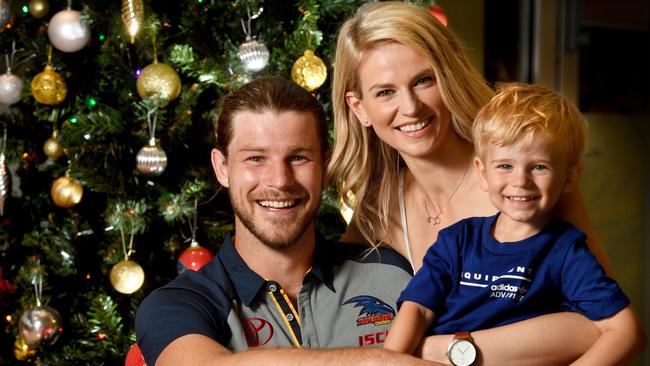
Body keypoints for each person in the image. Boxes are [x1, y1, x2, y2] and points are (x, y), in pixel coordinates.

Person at [328, 1, 611, 364]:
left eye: (423, 80)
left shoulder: (518, 182)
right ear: (359, 108)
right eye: (386, 92)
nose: (411, 107)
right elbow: (325, 290)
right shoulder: (379, 202)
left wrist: (442, 348)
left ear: (448, 78)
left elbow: (602, 326)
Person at [135, 76, 440, 366]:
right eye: (256, 158)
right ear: (223, 167)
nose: (280, 181)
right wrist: (379, 360)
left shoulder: (392, 271)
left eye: (298, 157)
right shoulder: (179, 303)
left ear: (325, 163)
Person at [383, 83, 646, 365]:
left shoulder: (566, 252)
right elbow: (418, 310)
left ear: (570, 177)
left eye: (539, 166)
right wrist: (388, 361)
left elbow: (628, 332)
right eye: (505, 166)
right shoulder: (457, 241)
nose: (521, 181)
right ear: (482, 173)